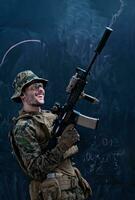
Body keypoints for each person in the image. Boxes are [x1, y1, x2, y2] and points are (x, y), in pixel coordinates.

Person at [10, 70, 92, 200]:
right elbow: (36, 171)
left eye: (41, 86)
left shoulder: (51, 116)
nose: (40, 90)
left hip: (74, 190)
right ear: (22, 95)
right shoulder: (23, 127)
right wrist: (63, 145)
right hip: (54, 194)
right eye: (33, 88)